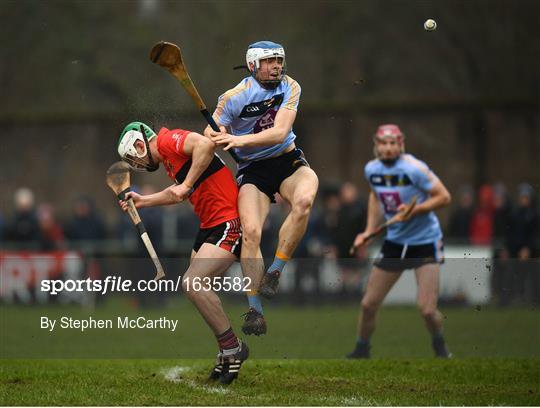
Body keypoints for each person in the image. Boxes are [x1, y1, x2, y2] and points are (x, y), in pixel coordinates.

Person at [116, 121, 248, 384]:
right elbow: (176, 195)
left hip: (229, 221)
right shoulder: (168, 159)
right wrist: (144, 201)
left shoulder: (168, 141)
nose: (137, 165)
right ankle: (226, 349)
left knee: (192, 282)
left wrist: (186, 184)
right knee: (198, 290)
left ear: (141, 145)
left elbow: (205, 144)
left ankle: (233, 348)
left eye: (134, 158)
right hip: (209, 226)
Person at [205, 40, 319, 311]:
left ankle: (276, 270)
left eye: (279, 60)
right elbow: (210, 131)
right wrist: (216, 134)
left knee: (303, 202)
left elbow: (280, 132)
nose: (276, 66)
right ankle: (255, 309)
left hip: (287, 160)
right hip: (253, 171)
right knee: (251, 233)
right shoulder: (233, 97)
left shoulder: (291, 86)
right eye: (269, 61)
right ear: (253, 65)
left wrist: (237, 140)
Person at [347, 124, 452, 359]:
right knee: (368, 304)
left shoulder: (415, 168)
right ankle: (361, 350)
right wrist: (369, 230)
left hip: (425, 241)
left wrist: (416, 210)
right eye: (383, 143)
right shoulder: (371, 169)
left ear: (401, 144)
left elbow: (444, 197)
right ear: (376, 145)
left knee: (426, 310)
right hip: (395, 242)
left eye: (393, 143)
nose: (388, 148)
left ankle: (439, 345)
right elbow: (376, 196)